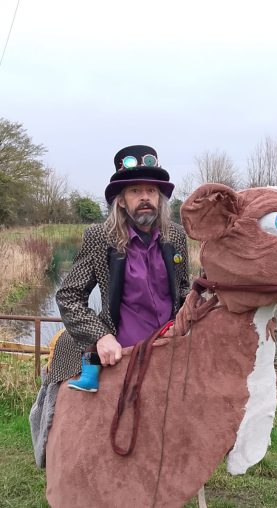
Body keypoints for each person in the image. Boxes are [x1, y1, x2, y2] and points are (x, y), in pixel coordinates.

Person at [29, 145, 189, 465]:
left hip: (169, 348)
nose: (144, 196)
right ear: (121, 199)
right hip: (121, 352)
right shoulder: (99, 238)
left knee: (163, 432)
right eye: (134, 190)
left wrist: (188, 320)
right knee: (109, 436)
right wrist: (101, 336)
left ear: (160, 198)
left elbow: (183, 288)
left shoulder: (177, 238)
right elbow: (69, 295)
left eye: (151, 190)